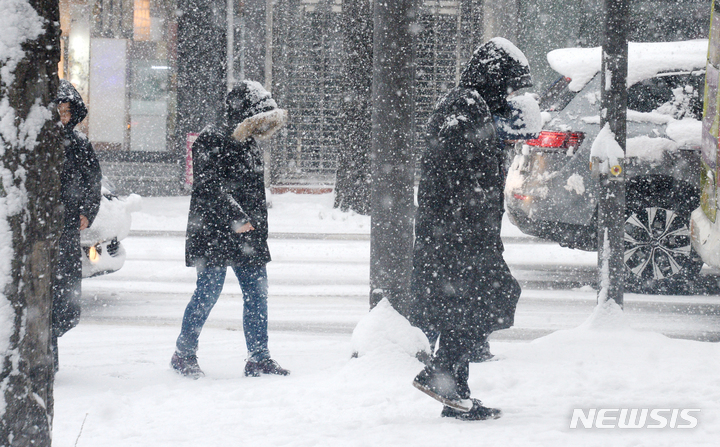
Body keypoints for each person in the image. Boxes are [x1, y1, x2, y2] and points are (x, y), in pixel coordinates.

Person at [410, 38, 534, 420]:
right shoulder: (462, 108)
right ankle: (442, 373)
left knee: (459, 309)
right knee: (493, 297)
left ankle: (455, 395)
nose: (511, 94)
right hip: (457, 235)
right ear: (493, 78)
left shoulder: (472, 106)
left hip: (463, 233)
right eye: (509, 85)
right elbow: (454, 171)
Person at [171, 80, 289, 379]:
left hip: (247, 234)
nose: (261, 127)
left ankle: (259, 358)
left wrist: (255, 229)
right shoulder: (210, 140)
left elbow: (252, 193)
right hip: (213, 233)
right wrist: (237, 218)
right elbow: (209, 187)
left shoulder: (248, 143)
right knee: (207, 292)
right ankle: (183, 354)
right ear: (243, 112)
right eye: (257, 118)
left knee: (257, 295)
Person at [52, 80, 103, 371]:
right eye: (59, 109)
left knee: (65, 298)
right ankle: (45, 357)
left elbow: (92, 180)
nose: (63, 115)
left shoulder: (80, 144)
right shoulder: (36, 141)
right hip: (42, 230)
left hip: (68, 229)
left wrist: (87, 211)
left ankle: (50, 350)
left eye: (68, 110)